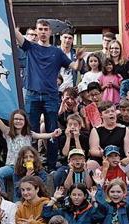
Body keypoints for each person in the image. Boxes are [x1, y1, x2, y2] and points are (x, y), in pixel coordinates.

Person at [14, 18, 84, 169]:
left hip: (51, 96)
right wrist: (10, 7)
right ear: (37, 31)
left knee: (54, 131)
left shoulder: (57, 52)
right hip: (32, 94)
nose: (43, 32)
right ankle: (29, 165)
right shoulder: (30, 47)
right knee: (29, 132)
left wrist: (79, 59)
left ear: (50, 32)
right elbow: (14, 32)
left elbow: (75, 66)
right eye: (40, 29)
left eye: (46, 29)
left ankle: (52, 166)